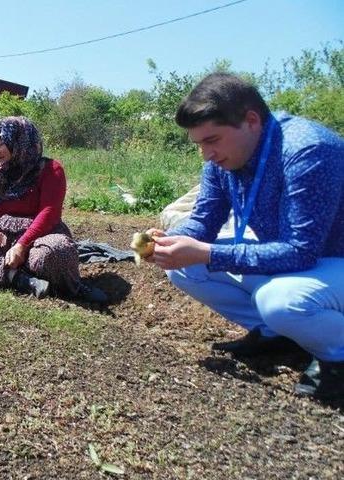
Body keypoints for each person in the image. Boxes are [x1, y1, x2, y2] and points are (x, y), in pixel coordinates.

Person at [146, 73, 344, 399]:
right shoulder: (222, 161)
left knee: (281, 301)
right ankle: (276, 334)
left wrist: (208, 253)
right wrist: (168, 241)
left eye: (212, 140)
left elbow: (301, 251)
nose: (206, 154)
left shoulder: (308, 150)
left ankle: (336, 357)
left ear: (251, 121)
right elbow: (203, 222)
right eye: (199, 144)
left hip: (331, 261)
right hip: (300, 264)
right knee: (183, 266)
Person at [0, 116, 107, 302]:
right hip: (1, 245)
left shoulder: (50, 169)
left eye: (1, 143)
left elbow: (49, 213)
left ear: (19, 140)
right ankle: (18, 278)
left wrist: (22, 244)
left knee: (57, 251)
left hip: (38, 241)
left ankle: (72, 286)